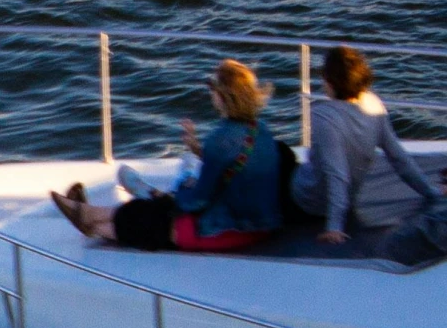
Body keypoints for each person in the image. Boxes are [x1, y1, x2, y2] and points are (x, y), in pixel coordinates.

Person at [51, 59, 281, 252]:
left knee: (150, 215)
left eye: (212, 87)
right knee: (153, 210)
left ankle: (90, 221)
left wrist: (177, 193)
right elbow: (237, 168)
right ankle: (91, 218)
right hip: (261, 226)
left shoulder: (220, 139)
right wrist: (198, 154)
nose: (210, 93)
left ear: (223, 96)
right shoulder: (261, 131)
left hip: (226, 230)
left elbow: (196, 200)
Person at [290, 44, 439, 245]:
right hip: (348, 201)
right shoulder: (373, 104)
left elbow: (337, 175)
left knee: (281, 160)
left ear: (330, 81)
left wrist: (334, 227)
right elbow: (398, 157)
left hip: (309, 203)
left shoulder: (323, 117)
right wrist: (432, 193)